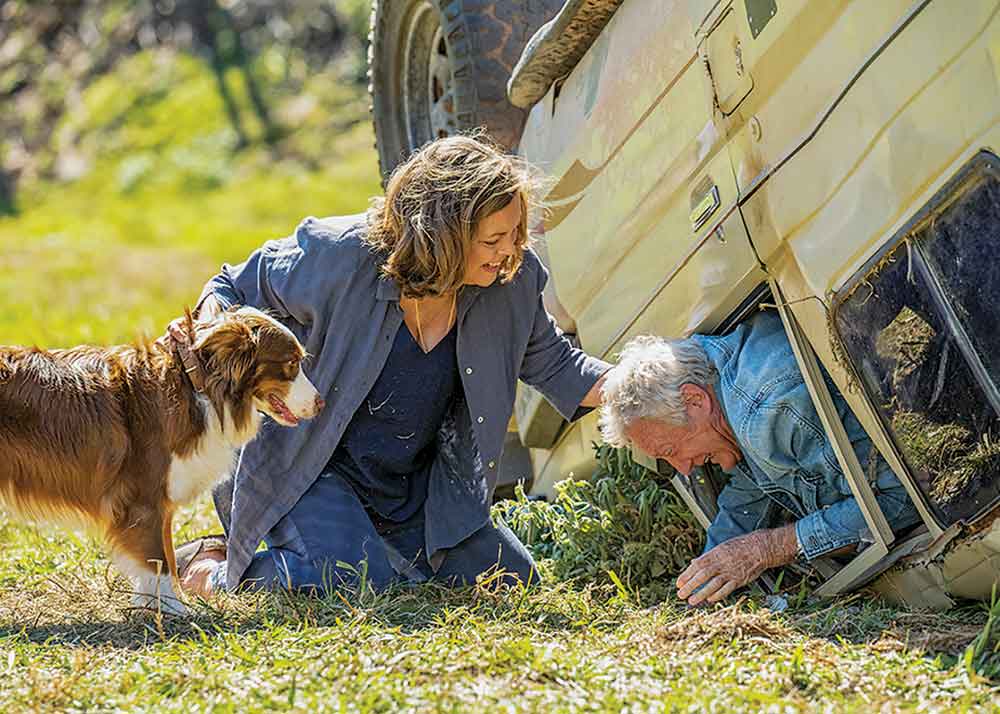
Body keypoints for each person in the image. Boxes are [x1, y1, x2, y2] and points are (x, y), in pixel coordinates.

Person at [175, 134, 612, 597]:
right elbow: (232, 285)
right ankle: (212, 571)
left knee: (508, 579)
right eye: (493, 239)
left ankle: (359, 548)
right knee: (355, 582)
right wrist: (211, 329)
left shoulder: (508, 287)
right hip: (305, 465)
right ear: (444, 234)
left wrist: (639, 384)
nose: (509, 252)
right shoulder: (339, 255)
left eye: (515, 234)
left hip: (407, 484)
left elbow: (560, 366)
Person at [598, 309, 921, 606]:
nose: (682, 467)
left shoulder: (770, 414)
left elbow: (903, 501)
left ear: (695, 401)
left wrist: (767, 548)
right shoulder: (720, 377)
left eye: (670, 451)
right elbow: (749, 492)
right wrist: (700, 582)